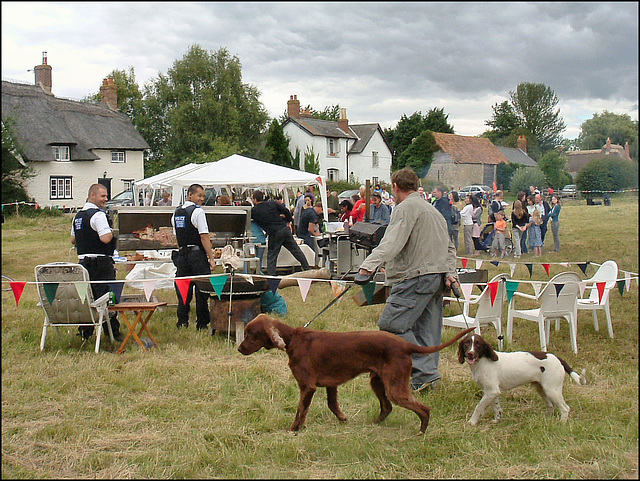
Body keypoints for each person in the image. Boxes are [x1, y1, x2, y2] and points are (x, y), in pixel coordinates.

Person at [357, 167, 459, 393]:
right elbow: (449, 247)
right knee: (428, 330)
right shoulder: (432, 211)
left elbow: (392, 241)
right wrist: (451, 273)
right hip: (436, 277)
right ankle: (427, 380)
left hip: (415, 276)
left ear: (395, 187)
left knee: (391, 324)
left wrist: (367, 267)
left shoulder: (405, 208)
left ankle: (425, 371)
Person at [71, 183, 123, 341]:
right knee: (108, 298)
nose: (106, 199)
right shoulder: (98, 215)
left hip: (83, 264)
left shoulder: (78, 216)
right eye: (103, 196)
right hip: (100, 264)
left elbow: (73, 240)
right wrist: (113, 233)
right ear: (92, 195)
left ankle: (85, 333)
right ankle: (112, 333)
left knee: (86, 298)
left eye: (106, 196)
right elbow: (105, 238)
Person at [171, 184, 217, 330]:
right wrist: (211, 258)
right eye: (199, 195)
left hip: (182, 255)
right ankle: (202, 323)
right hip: (197, 255)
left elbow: (177, 236)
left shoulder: (177, 213)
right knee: (202, 289)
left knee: (183, 290)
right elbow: (204, 236)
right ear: (190, 195)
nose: (202, 199)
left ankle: (182, 322)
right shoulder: (198, 212)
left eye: (203, 196)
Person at [251, 190, 312, 276]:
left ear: (255, 199)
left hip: (274, 232)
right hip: (284, 229)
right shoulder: (272, 203)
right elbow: (286, 211)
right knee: (296, 251)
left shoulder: (254, 211)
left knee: (272, 255)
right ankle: (307, 268)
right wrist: (288, 220)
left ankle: (271, 276)